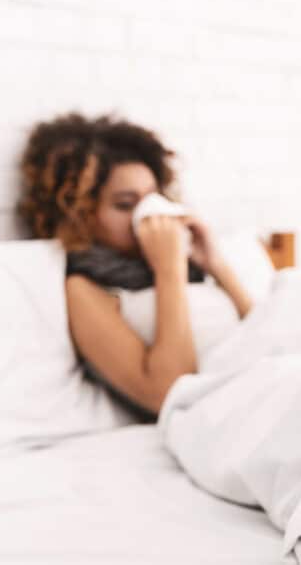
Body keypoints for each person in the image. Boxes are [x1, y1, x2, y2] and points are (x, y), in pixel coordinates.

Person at [18, 113, 254, 419]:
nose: (145, 214)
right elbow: (168, 392)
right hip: (230, 405)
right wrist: (168, 270)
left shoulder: (192, 268)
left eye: (152, 198)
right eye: (125, 205)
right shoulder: (84, 288)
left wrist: (217, 266)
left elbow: (263, 332)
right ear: (82, 213)